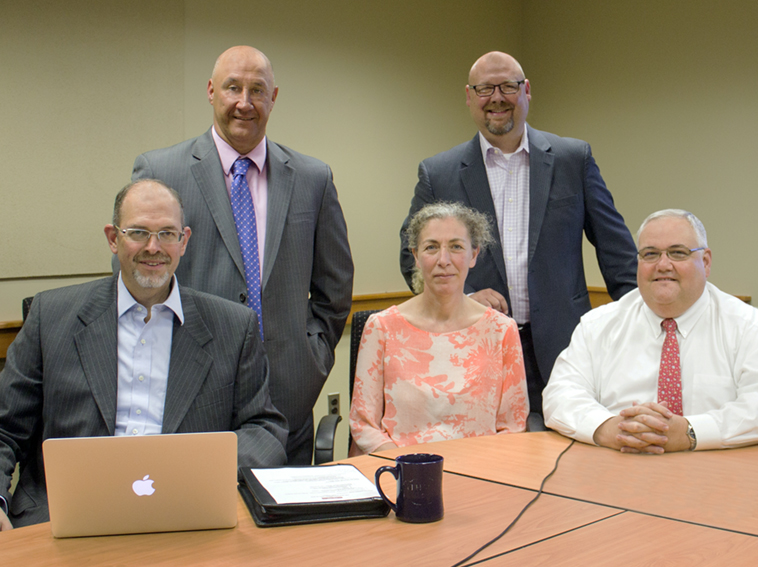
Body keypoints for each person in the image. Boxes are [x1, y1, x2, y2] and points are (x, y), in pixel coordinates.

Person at [0, 179, 288, 530]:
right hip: (62, 516)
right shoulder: (51, 316)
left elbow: (264, 428)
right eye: (138, 232)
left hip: (188, 512)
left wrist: (202, 472)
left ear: (184, 241)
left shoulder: (232, 326)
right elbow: (5, 427)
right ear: (113, 238)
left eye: (167, 234)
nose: (154, 247)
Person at [130, 46, 353, 464]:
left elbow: (335, 288)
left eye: (257, 90)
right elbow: (135, 281)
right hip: (188, 390)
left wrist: (311, 363)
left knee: (282, 524)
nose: (244, 103)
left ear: (274, 97)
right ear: (212, 91)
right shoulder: (162, 172)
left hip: (287, 396)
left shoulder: (313, 178)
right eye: (233, 88)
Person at [399, 51, 637, 424]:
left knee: (570, 459)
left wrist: (637, 325)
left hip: (567, 345)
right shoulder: (439, 173)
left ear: (526, 91)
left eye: (508, 86)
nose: (497, 97)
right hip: (477, 348)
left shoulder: (573, 159)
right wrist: (462, 297)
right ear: (468, 96)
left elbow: (617, 251)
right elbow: (410, 255)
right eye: (484, 89)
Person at [542, 209, 758, 453]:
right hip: (617, 464)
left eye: (678, 253)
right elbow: (560, 395)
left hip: (717, 473)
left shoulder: (747, 326)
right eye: (650, 254)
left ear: (705, 262)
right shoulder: (598, 325)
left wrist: (689, 432)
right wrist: (611, 429)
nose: (663, 265)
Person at [351, 202, 529, 455]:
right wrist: (407, 468)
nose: (443, 260)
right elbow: (363, 424)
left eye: (456, 247)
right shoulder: (381, 328)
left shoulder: (502, 331)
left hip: (482, 473)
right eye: (431, 247)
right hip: (401, 474)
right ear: (415, 255)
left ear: (474, 254)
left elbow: (513, 425)